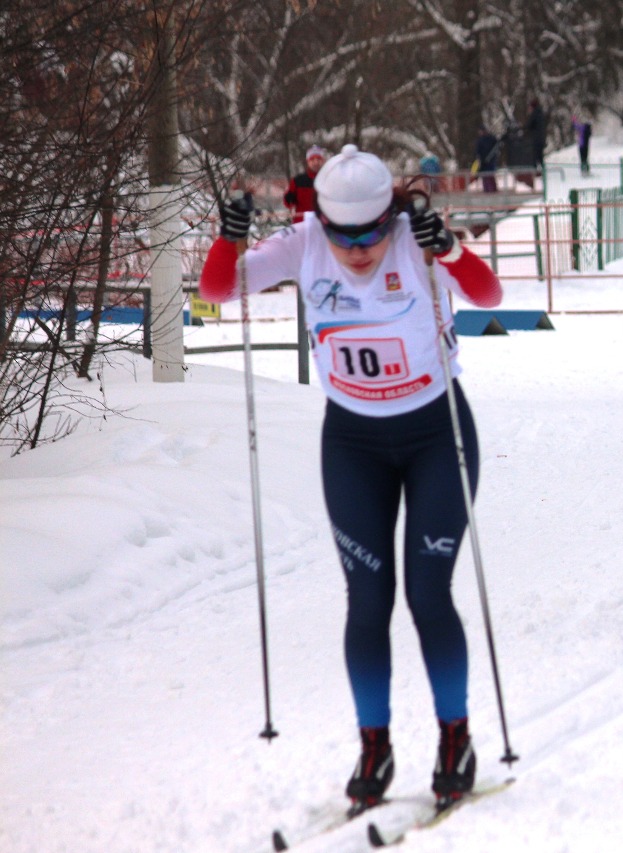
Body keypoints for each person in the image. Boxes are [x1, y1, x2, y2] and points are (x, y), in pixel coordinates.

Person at [197, 144, 503, 812]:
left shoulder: (413, 241)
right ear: (324, 223)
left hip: (435, 434)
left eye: (372, 233)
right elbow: (218, 291)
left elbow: (489, 294)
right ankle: (375, 743)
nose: (359, 249)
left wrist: (447, 249)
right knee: (366, 600)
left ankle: (456, 737)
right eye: (344, 235)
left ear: (390, 217)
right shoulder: (304, 241)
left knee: (428, 593)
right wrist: (228, 237)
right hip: (354, 442)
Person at [284, 145, 327, 224]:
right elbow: (288, 203)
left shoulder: (328, 180)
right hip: (302, 223)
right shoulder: (298, 181)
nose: (316, 162)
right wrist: (289, 199)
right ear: (308, 162)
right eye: (312, 159)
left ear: (323, 161)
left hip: (323, 225)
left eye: (318, 159)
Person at [525, 97, 547, 175]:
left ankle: (536, 172)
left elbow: (529, 125)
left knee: (535, 156)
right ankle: (542, 170)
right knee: (540, 156)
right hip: (541, 139)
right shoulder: (540, 113)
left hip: (536, 139)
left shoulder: (534, 114)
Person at [475, 126, 500, 194]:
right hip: (484, 162)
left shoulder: (491, 139)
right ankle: (488, 190)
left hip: (490, 162)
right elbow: (478, 151)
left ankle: (492, 190)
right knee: (486, 177)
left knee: (490, 176)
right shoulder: (481, 140)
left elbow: (496, 148)